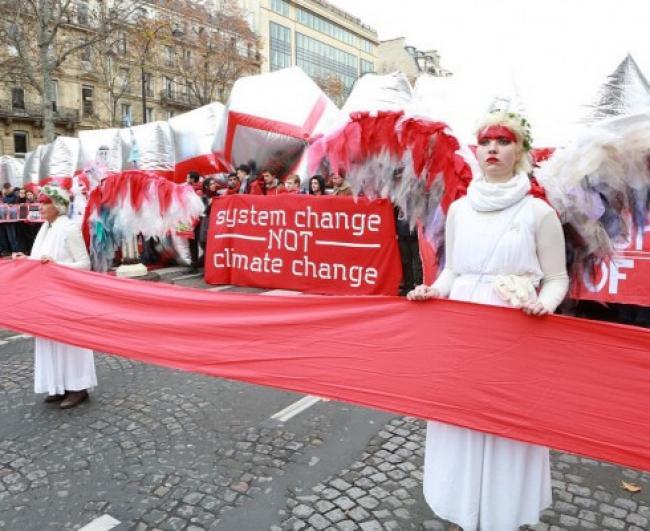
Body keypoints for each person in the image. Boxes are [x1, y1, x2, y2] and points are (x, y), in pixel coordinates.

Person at [408, 111, 569, 531]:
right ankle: (462, 509)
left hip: (513, 333)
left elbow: (556, 279)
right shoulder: (459, 210)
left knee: (505, 423)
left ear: (520, 151)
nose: (493, 148)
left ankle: (502, 513)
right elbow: (454, 270)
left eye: (503, 141)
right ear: (476, 152)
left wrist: (544, 304)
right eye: (486, 142)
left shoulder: (538, 213)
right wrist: (433, 290)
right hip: (461, 331)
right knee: (459, 416)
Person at [13, 184, 97, 409]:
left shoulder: (69, 228)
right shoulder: (45, 228)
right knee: (50, 340)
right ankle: (58, 384)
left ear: (57, 206)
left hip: (67, 296)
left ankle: (78, 387)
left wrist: (57, 265)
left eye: (45, 203)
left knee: (70, 342)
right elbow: (41, 259)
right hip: (47, 296)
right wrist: (26, 259)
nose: (40, 208)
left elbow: (85, 264)